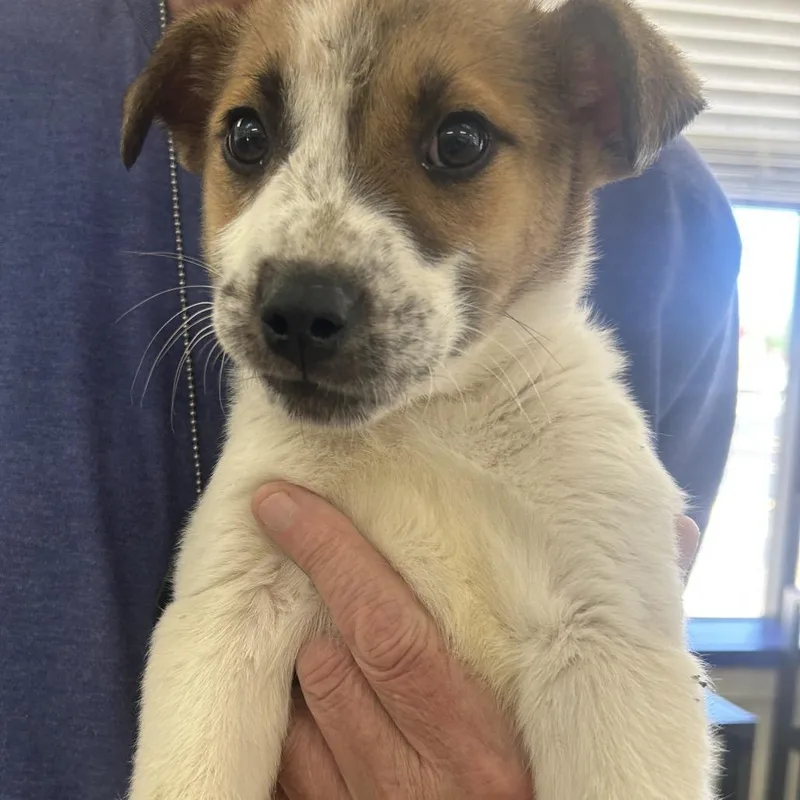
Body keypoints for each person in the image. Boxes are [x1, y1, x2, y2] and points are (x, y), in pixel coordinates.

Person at [0, 0, 740, 797]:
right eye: (249, 139)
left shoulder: (677, 233)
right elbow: (221, 645)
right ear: (190, 129)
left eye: (456, 145)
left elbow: (620, 672)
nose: (308, 268)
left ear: (600, 122)